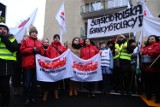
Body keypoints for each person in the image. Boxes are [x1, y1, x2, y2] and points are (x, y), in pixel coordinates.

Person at [20, 26, 44, 105]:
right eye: (33, 32)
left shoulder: (39, 42)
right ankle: (27, 97)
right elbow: (22, 50)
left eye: (35, 32)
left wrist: (39, 51)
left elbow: (43, 52)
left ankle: (32, 97)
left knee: (34, 83)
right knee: (26, 83)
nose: (34, 34)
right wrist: (31, 50)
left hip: (36, 66)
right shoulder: (25, 40)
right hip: (28, 66)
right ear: (30, 33)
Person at [0, 22, 19, 107]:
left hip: (7, 64)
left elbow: (14, 48)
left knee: (5, 86)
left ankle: (5, 104)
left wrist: (4, 38)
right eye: (0, 28)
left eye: (4, 29)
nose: (2, 30)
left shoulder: (11, 37)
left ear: (7, 31)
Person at [140, 35, 160, 103]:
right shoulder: (146, 47)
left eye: (152, 39)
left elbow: (154, 53)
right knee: (147, 83)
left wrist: (146, 52)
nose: (151, 40)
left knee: (156, 84)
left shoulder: (157, 45)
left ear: (156, 39)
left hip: (154, 68)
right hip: (145, 68)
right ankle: (149, 95)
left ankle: (158, 97)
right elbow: (142, 53)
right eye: (149, 39)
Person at [51, 34, 67, 99]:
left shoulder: (62, 47)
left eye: (58, 38)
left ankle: (57, 92)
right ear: (53, 39)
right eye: (55, 38)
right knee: (53, 78)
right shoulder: (50, 46)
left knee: (59, 79)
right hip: (53, 65)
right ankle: (53, 91)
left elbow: (66, 53)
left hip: (60, 65)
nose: (57, 39)